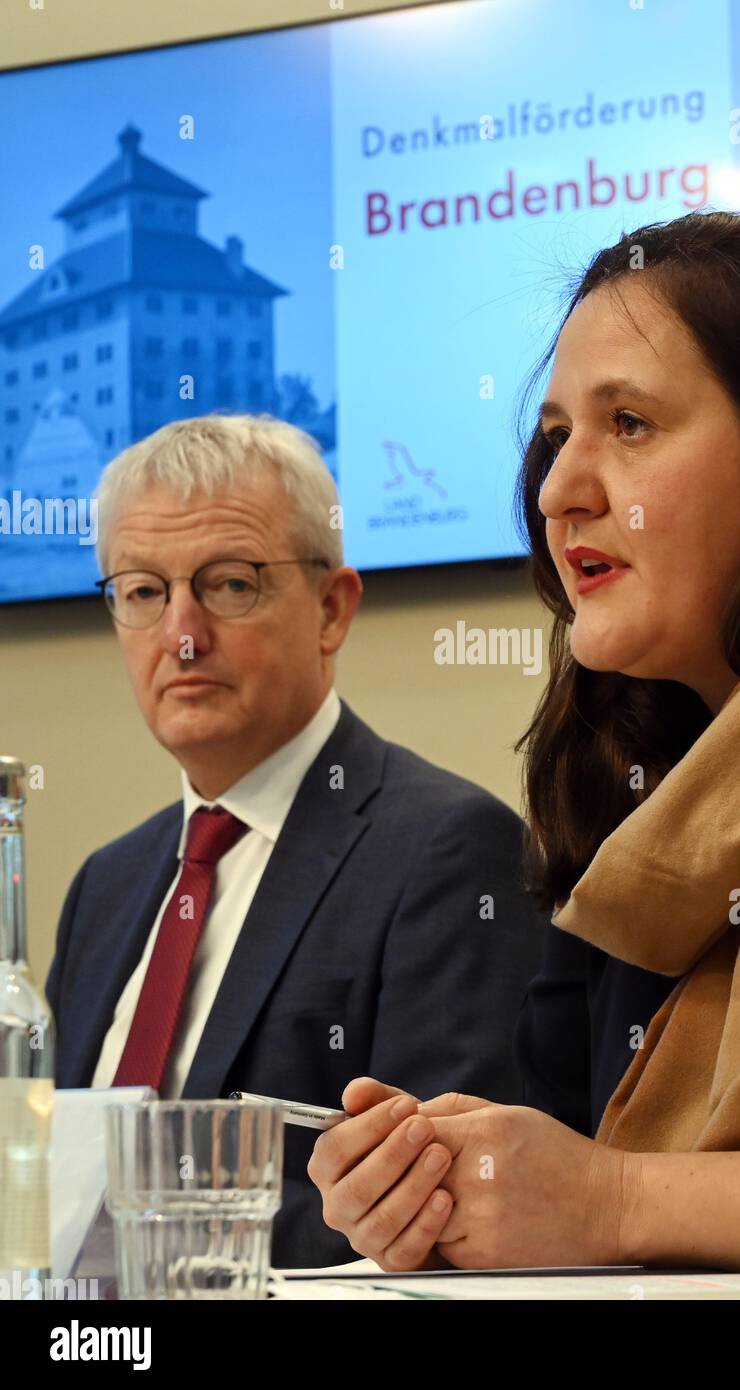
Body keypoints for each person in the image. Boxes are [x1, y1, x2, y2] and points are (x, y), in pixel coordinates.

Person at [307, 208, 740, 1276]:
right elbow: (571, 1158)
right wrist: (445, 1187)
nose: (561, 490)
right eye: (557, 434)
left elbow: (612, 1197)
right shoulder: (629, 774)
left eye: (630, 424)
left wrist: (618, 1201)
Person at [45, 413, 546, 1269]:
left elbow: (443, 1207)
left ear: (330, 608)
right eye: (142, 591)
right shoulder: (108, 881)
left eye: (230, 584)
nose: (182, 634)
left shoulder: (446, 850)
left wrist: (143, 1253)